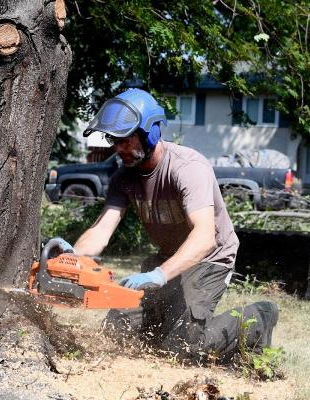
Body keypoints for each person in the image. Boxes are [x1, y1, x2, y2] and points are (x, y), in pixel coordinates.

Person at [73, 88, 278, 362]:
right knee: (116, 332)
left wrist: (158, 275)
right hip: (169, 257)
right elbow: (101, 229)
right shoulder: (124, 177)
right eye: (114, 140)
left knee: (183, 348)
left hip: (210, 258)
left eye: (125, 139)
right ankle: (167, 320)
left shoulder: (187, 167)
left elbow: (205, 238)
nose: (117, 148)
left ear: (150, 133)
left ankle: (260, 316)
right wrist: (72, 260)